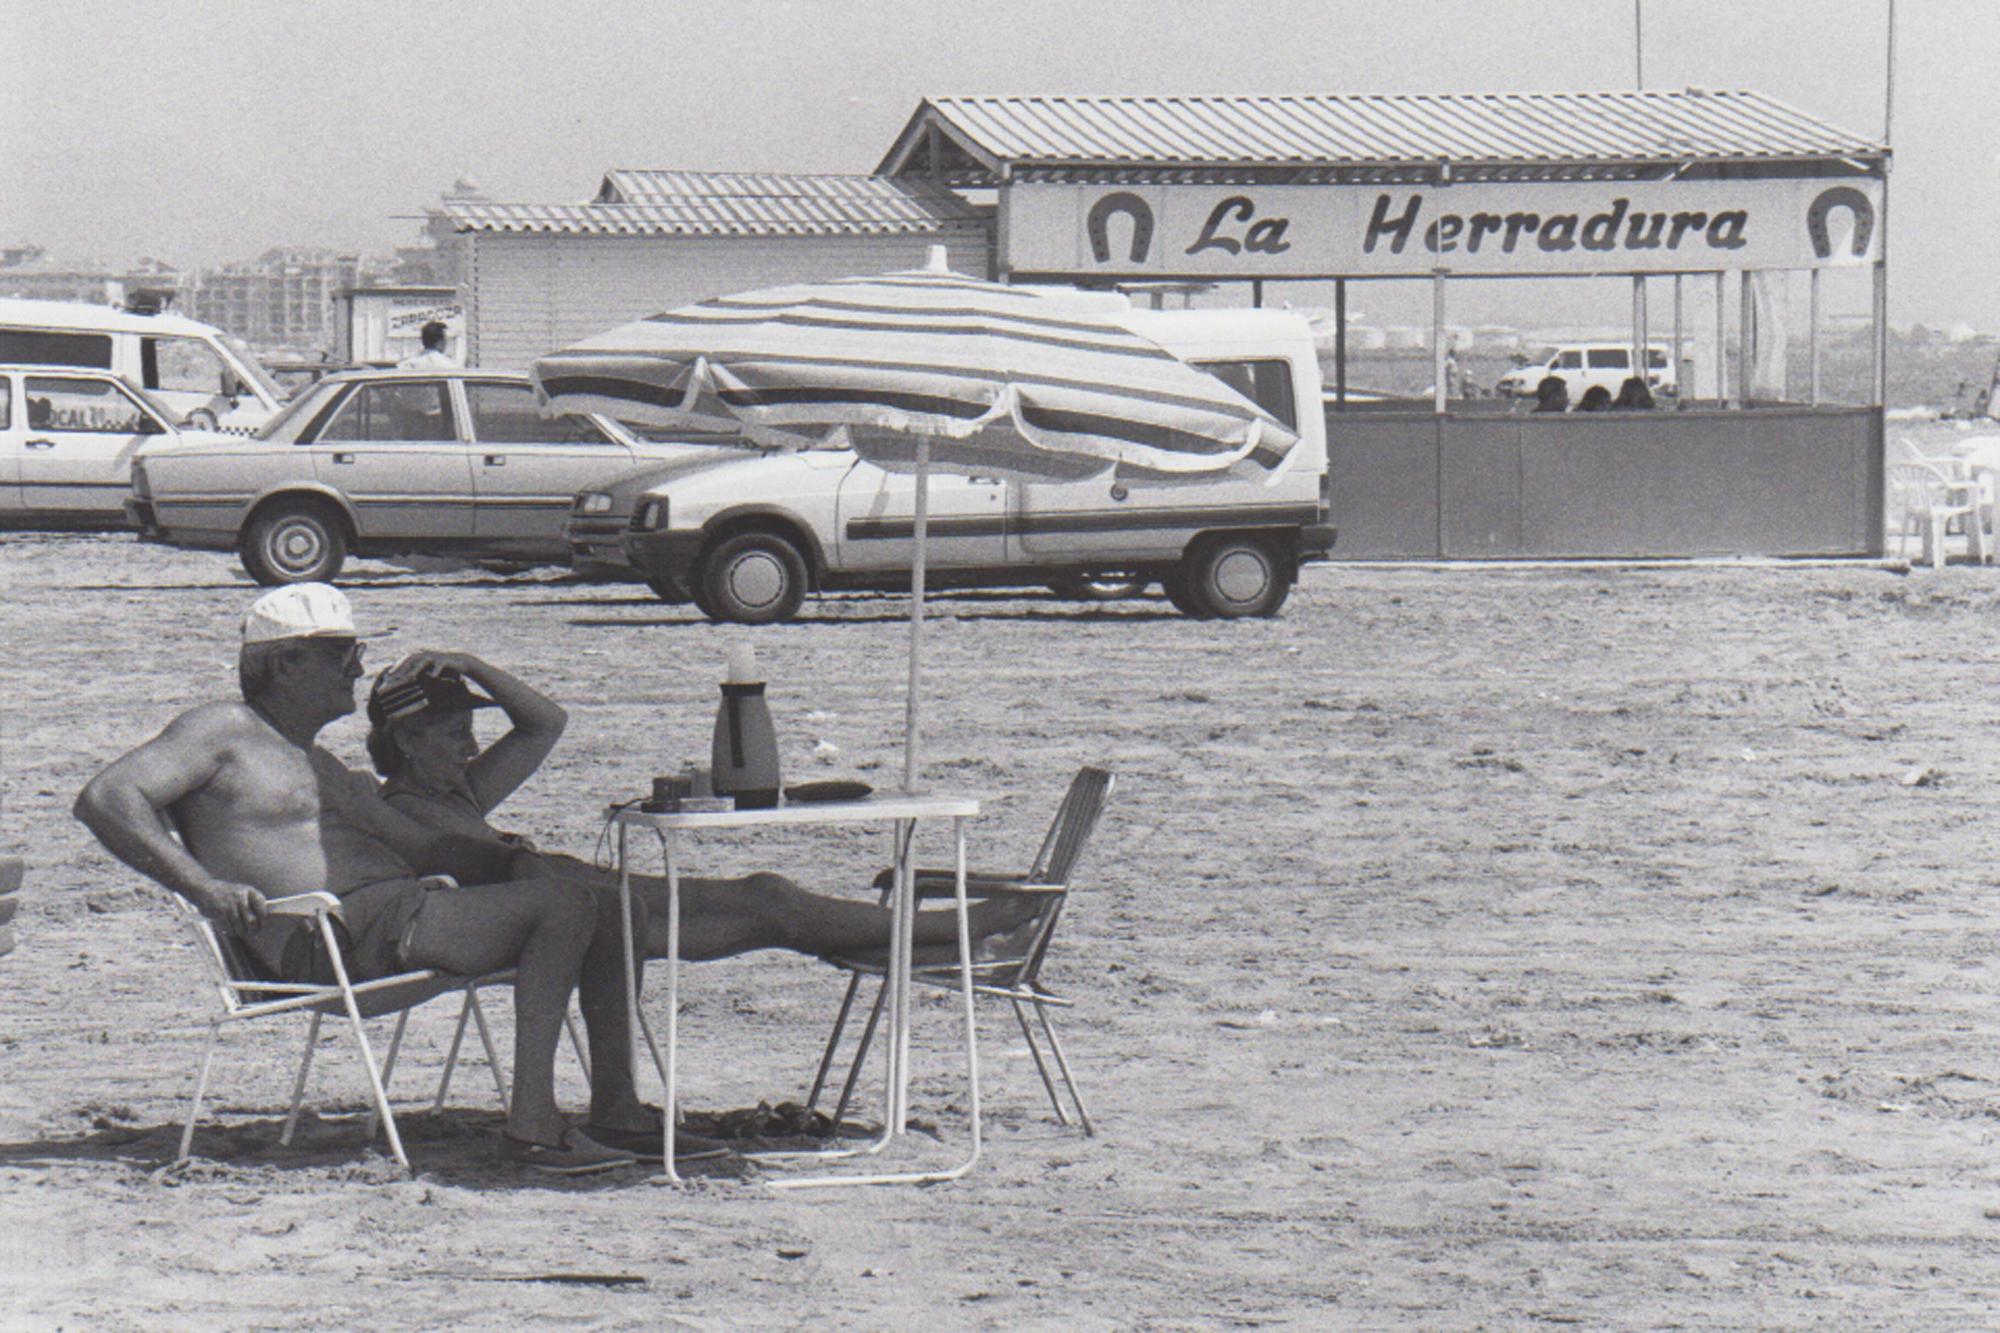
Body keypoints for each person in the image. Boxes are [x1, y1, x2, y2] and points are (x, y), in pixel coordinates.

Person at [72, 584, 661, 1175]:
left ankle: (618, 1112)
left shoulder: (321, 765)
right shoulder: (224, 731)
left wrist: (516, 860)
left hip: (391, 920)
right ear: (285, 661)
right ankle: (533, 1128)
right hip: (326, 941)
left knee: (600, 905)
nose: (357, 667)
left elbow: (427, 847)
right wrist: (203, 888)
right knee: (560, 910)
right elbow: (106, 797)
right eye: (341, 653)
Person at [361, 651, 1041, 966]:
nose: (471, 740)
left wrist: (471, 664)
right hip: (576, 920)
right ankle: (962, 928)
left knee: (769, 903)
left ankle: (932, 936)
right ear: (406, 740)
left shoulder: (458, 793)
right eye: (452, 730)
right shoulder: (405, 809)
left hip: (583, 897)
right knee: (769, 903)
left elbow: (545, 722)